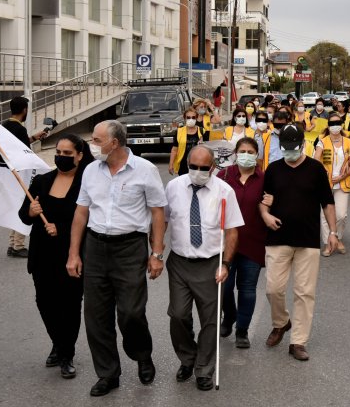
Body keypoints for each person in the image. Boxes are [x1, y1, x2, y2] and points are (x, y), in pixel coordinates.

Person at [65, 120, 168, 397]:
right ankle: (108, 374)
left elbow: (158, 213)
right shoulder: (90, 171)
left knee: (131, 312)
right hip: (96, 247)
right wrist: (74, 253)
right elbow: (81, 213)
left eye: (97, 140)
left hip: (130, 248)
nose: (92, 145)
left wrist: (156, 253)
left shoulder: (145, 171)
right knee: (96, 317)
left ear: (116, 142)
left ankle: (142, 355)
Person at [163, 145, 242, 391]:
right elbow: (161, 220)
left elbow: (232, 231)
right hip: (179, 262)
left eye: (203, 168)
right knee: (177, 315)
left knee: (209, 321)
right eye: (192, 167)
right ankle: (188, 357)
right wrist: (155, 252)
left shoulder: (224, 191)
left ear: (213, 167)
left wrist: (227, 264)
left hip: (211, 263)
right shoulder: (173, 187)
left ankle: (204, 369)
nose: (197, 172)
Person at [259, 124, 339, 361]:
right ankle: (281, 322)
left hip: (308, 239)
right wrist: (265, 215)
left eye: (294, 147)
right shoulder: (273, 170)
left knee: (305, 292)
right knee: (273, 288)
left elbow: (328, 203)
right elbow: (264, 201)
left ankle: (298, 341)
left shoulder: (316, 169)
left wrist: (333, 232)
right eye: (286, 148)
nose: (290, 152)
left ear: (303, 144)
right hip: (278, 237)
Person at [18, 134, 93, 379]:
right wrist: (30, 210)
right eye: (58, 152)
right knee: (45, 303)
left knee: (69, 305)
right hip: (42, 255)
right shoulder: (42, 181)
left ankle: (66, 354)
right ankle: (58, 343)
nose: (61, 157)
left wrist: (60, 228)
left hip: (72, 255)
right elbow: (23, 215)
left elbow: (90, 220)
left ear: (80, 156)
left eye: (67, 154)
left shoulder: (87, 183)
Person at [217, 138, 268, 348]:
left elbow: (272, 206)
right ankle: (229, 316)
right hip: (227, 243)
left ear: (256, 155)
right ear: (236, 153)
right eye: (242, 151)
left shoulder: (264, 179)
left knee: (247, 289)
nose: (246, 154)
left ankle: (242, 331)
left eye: (250, 151)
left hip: (253, 242)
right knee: (225, 287)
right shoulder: (224, 175)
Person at [3, 95, 48, 258]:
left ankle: (12, 243)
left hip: (10, 172)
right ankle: (18, 245)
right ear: (24, 110)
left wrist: (35, 137)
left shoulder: (5, 126)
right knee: (24, 206)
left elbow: (18, 145)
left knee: (16, 206)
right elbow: (25, 153)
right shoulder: (19, 129)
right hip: (21, 173)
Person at [313, 113, 350, 256]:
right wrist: (325, 171)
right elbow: (316, 158)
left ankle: (337, 237)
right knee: (325, 215)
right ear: (328, 126)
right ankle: (328, 243)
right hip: (326, 183)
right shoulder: (322, 141)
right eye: (331, 124)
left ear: (342, 124)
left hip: (343, 183)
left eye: (337, 123)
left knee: (341, 214)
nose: (335, 126)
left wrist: (344, 175)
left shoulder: (349, 142)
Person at [169, 108, 204, 176]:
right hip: (183, 166)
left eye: (193, 117)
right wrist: (171, 164)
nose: (191, 119)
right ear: (184, 118)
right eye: (188, 117)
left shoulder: (202, 131)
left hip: (198, 165)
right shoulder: (179, 132)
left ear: (196, 118)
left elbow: (209, 147)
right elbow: (174, 150)